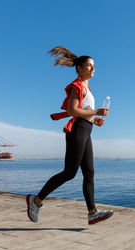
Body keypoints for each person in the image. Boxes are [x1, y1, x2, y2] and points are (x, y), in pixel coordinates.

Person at [26, 46, 113, 225]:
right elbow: (72, 110)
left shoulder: (88, 89)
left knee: (89, 173)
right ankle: (35, 202)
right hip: (78, 130)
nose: (93, 69)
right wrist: (96, 112)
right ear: (80, 68)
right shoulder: (77, 85)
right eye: (89, 66)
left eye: (94, 66)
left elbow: (82, 111)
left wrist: (93, 119)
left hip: (86, 129)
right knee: (69, 173)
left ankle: (92, 213)